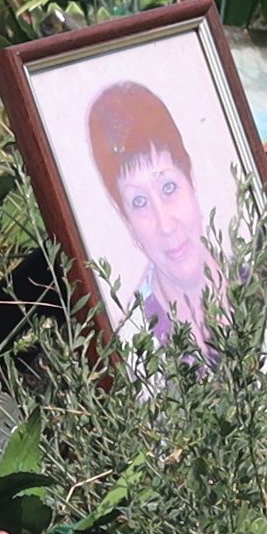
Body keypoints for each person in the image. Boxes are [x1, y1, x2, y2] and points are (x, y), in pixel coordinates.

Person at [81, 71, 230, 352]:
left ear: (191, 181)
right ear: (126, 219)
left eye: (169, 187)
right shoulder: (134, 345)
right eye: (139, 202)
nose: (165, 225)